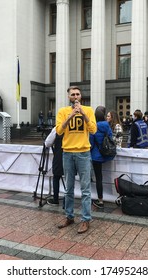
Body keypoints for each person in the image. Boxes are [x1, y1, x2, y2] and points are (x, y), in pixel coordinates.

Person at [55, 86, 97, 234]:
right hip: (67, 153)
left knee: (85, 189)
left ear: (81, 96)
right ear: (69, 97)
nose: (75, 96)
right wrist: (71, 115)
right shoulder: (62, 111)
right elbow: (59, 131)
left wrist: (83, 114)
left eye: (78, 94)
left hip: (84, 153)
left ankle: (86, 219)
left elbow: (93, 130)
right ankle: (69, 216)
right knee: (69, 189)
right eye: (72, 94)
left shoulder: (89, 110)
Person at [90, 107, 114, 209]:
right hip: (106, 154)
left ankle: (100, 200)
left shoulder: (94, 126)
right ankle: (108, 196)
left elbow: (90, 142)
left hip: (96, 156)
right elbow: (111, 137)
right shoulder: (107, 125)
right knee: (104, 177)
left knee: (98, 178)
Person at [45, 127, 64, 206]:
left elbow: (48, 143)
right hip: (72, 155)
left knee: (56, 177)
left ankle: (55, 199)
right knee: (70, 179)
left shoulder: (57, 128)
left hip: (59, 156)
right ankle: (68, 200)